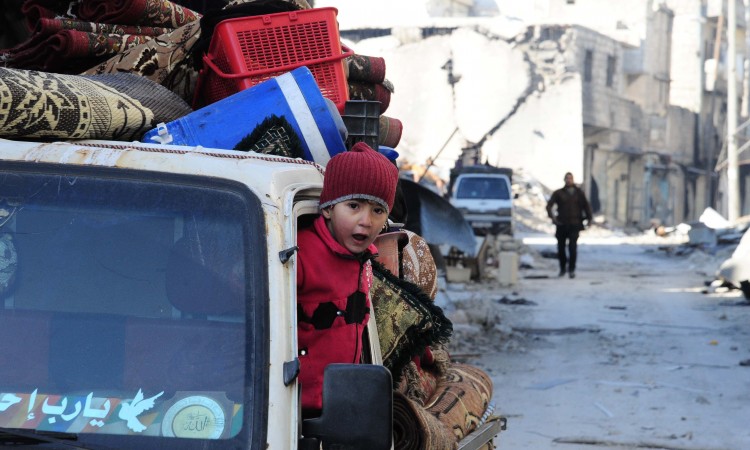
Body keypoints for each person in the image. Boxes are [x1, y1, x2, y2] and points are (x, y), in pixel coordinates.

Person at [295, 142, 399, 414]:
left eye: (378, 210)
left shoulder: (365, 260)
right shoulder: (299, 255)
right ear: (328, 208)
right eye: (354, 206)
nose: (366, 221)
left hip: (341, 405)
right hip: (295, 410)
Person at [546, 172, 593, 279]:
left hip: (574, 224)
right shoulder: (558, 193)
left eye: (570, 178)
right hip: (562, 224)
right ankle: (562, 269)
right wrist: (553, 218)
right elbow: (549, 206)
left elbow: (586, 206)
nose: (568, 180)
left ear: (573, 179)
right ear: (564, 180)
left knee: (572, 248)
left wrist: (589, 219)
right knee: (561, 248)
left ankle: (571, 270)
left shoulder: (579, 193)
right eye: (567, 178)